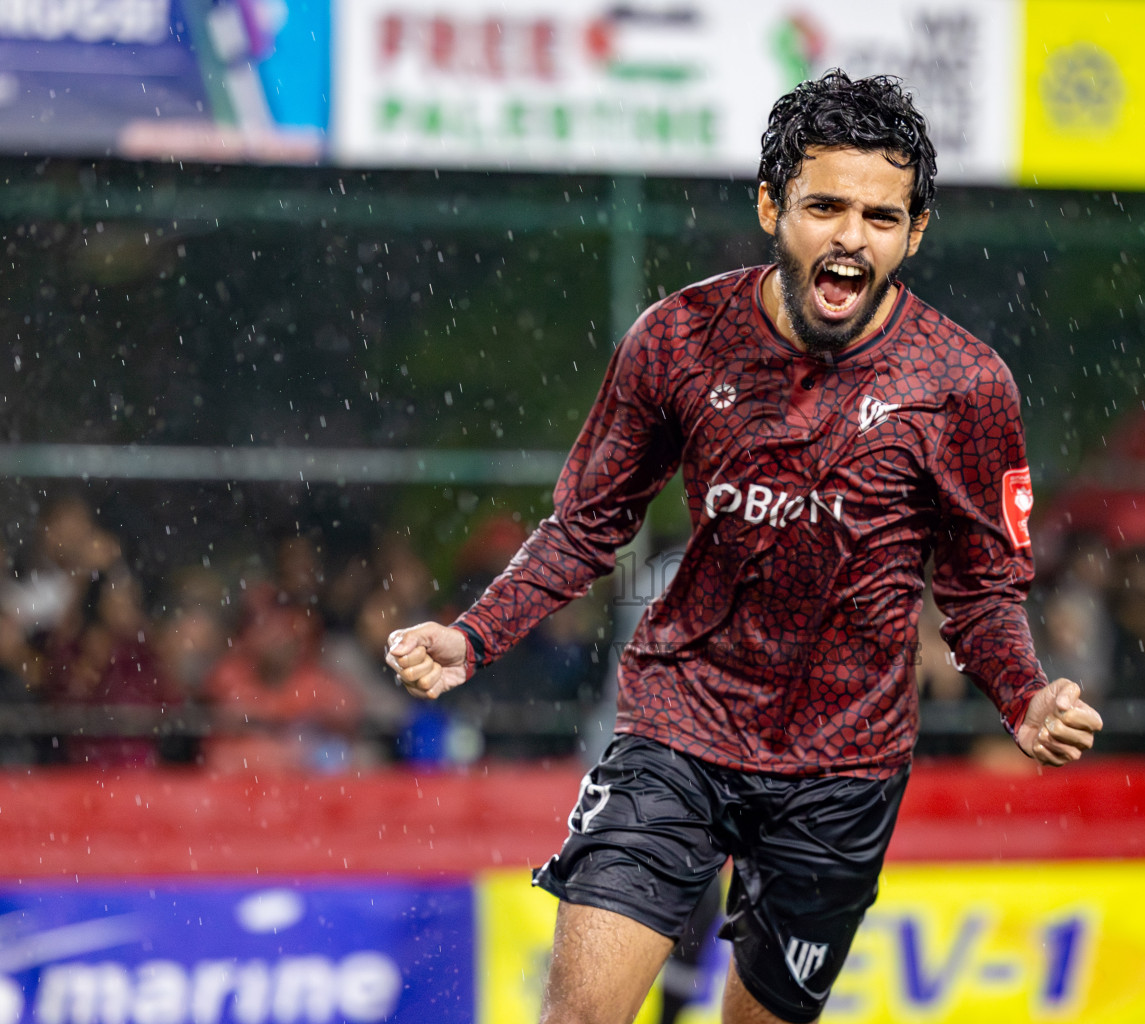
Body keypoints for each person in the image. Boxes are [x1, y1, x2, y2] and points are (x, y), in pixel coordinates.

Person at [386, 70, 1103, 1024]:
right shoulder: (678, 339)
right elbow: (588, 524)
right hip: (677, 725)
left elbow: (979, 593)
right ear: (772, 205)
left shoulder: (966, 385)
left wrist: (1024, 693)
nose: (852, 236)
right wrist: (471, 637)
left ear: (915, 232)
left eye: (882, 217)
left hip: (845, 767)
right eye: (826, 206)